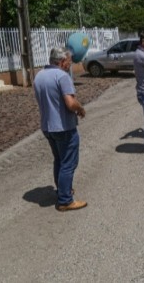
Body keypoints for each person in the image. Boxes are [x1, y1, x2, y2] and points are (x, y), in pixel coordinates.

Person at [33, 47, 87, 212]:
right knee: (68, 163)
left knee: (59, 159)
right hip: (63, 127)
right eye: (69, 61)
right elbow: (70, 103)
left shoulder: (39, 76)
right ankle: (65, 200)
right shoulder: (62, 76)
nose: (70, 64)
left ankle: (63, 190)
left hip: (47, 127)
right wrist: (81, 109)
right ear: (62, 61)